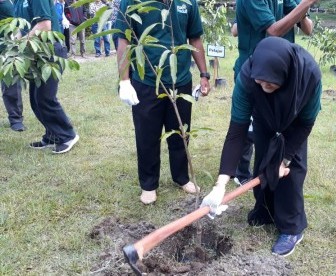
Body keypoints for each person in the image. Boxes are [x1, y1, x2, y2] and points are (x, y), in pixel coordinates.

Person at [201, 37, 322, 257]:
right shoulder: (248, 78)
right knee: (264, 160)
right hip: (264, 116)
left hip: (296, 120)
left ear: (285, 74)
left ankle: (291, 228)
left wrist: (285, 159)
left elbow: (306, 123)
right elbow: (237, 132)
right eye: (260, 81)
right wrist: (220, 185)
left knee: (291, 172)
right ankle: (265, 210)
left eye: (270, 82)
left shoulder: (309, 75)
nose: (264, 85)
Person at [115, 0, 211, 204]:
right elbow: (124, 39)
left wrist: (204, 74)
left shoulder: (188, 3)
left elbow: (194, 38)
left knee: (180, 132)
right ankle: (149, 184)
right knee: (147, 135)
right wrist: (124, 80)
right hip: (147, 80)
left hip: (181, 79)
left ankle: (182, 177)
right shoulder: (133, 2)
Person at [232, 0, 314, 186]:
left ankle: (279, 163)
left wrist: (303, 9)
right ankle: (242, 171)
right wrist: (307, 3)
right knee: (249, 124)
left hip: (281, 72)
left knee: (279, 122)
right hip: (255, 71)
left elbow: (308, 29)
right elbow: (274, 30)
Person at [14, 0, 79, 153]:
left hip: (50, 50)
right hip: (35, 53)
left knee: (45, 98)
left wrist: (21, 44)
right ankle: (52, 136)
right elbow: (21, 29)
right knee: (36, 99)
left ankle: (67, 135)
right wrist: (14, 45)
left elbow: (44, 26)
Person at [0, 0, 24, 132]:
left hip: (6, 52)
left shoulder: (5, 5)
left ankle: (16, 119)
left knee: (10, 86)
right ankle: (15, 118)